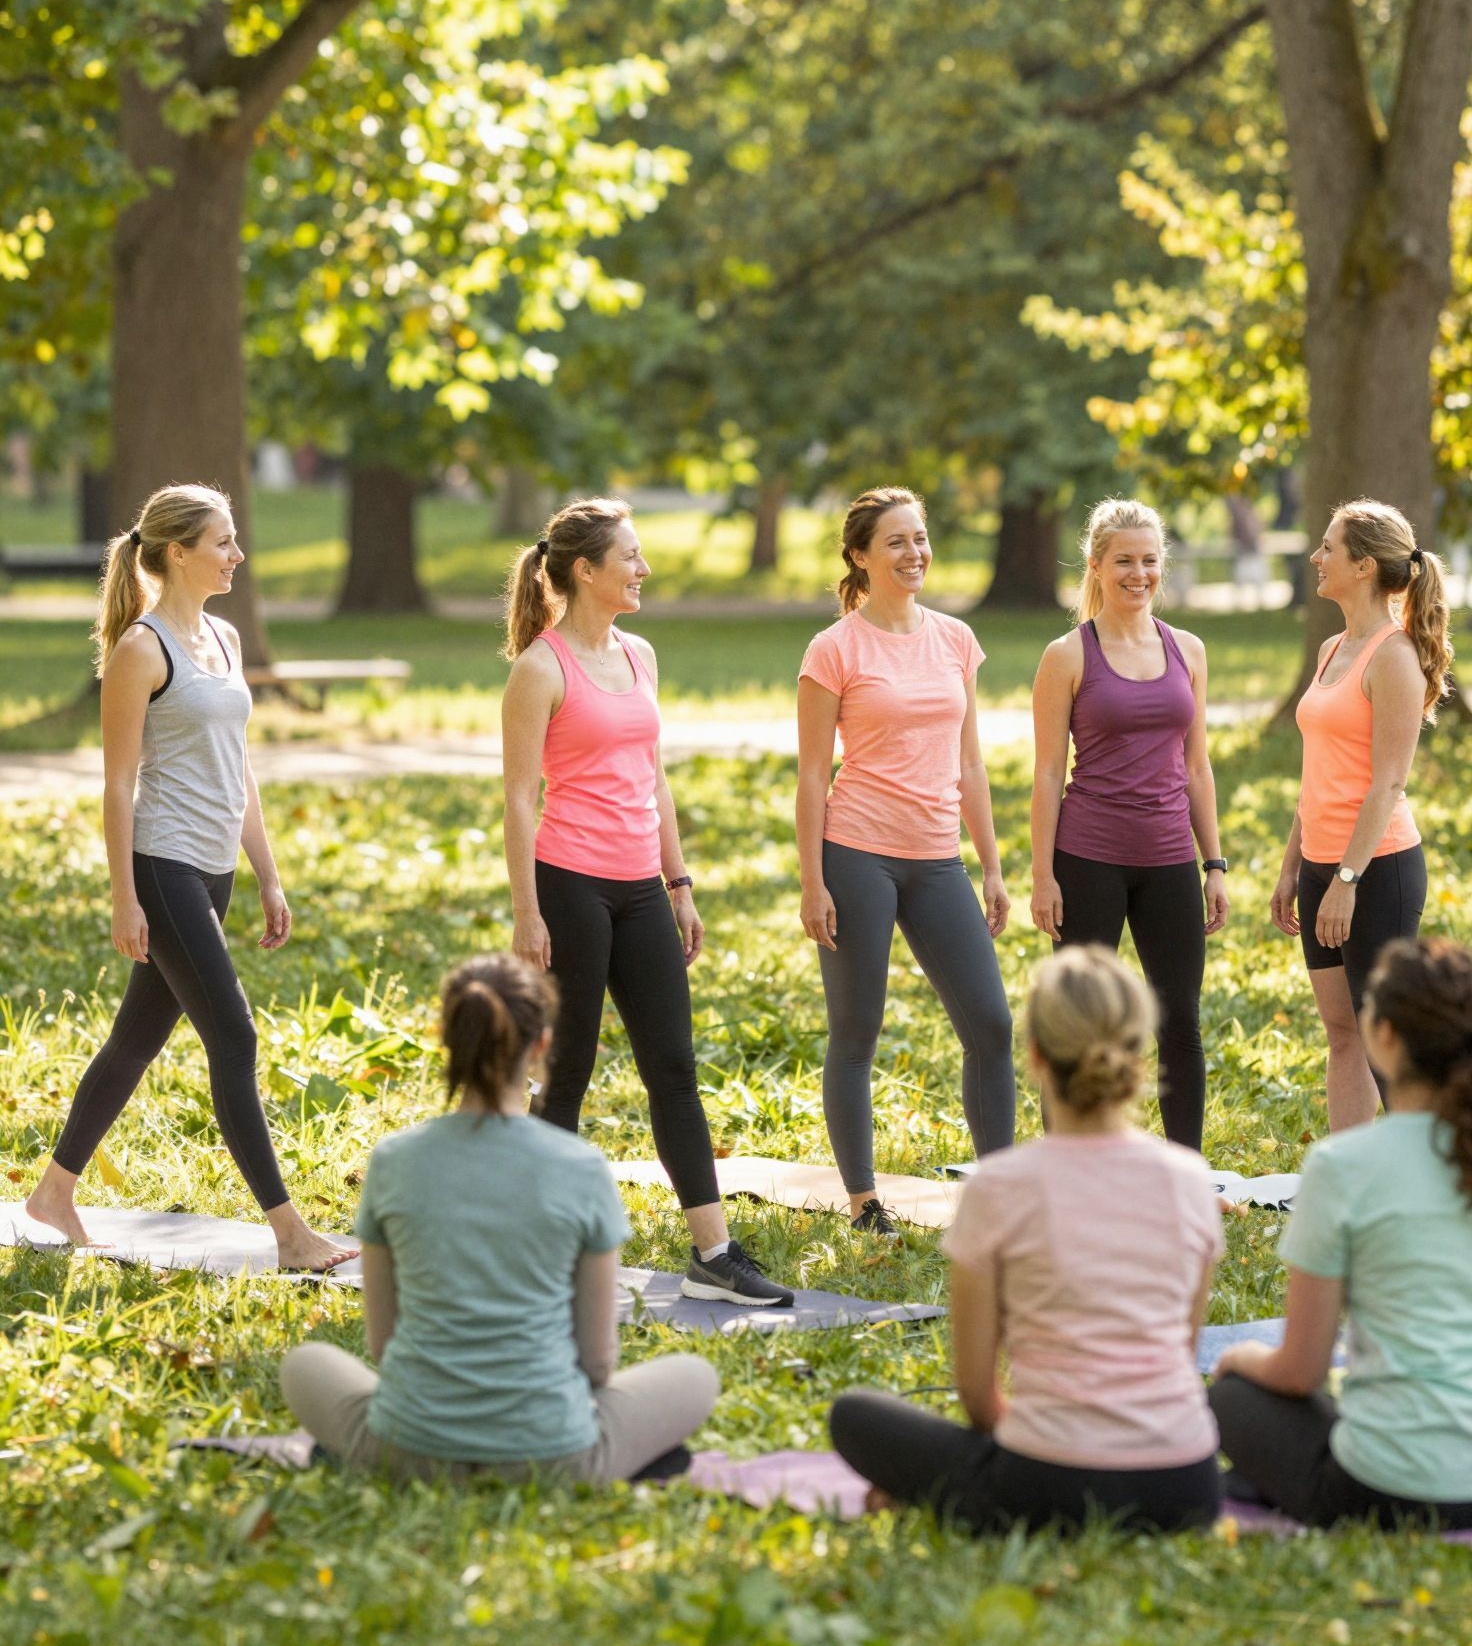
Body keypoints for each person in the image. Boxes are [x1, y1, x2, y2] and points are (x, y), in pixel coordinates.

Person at [25, 483, 349, 1271]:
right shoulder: (142, 649)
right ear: (178, 553)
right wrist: (123, 896)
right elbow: (117, 783)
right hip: (163, 867)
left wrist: (267, 875)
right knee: (234, 1037)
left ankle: (54, 1192)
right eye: (223, 542)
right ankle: (291, 1235)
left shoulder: (226, 638)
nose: (237, 555)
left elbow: (239, 769)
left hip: (212, 872)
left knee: (135, 1039)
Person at [501, 497, 792, 1307]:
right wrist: (528, 910)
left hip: (640, 890)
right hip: (569, 884)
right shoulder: (540, 668)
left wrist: (680, 882)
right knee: (569, 1072)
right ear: (585, 570)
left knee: (674, 1066)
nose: (643, 569)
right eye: (629, 556)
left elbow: (653, 777)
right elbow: (521, 798)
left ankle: (714, 1254)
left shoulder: (641, 656)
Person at [281, 952, 720, 1480]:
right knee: (695, 1376)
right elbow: (598, 1363)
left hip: (408, 1446)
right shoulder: (581, 1166)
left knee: (305, 1364)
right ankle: (610, 1459)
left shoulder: (394, 1160)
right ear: (541, 1045)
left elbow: (383, 1343)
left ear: (449, 1041)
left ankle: (370, 1453)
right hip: (552, 1454)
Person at [829, 946, 1223, 1533]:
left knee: (854, 1417)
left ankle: (950, 1495)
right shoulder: (1192, 1180)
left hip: (1046, 1484)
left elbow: (978, 1394)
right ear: (1138, 1053)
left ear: (1035, 1056)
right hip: (1184, 1488)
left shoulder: (1000, 1186)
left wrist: (1040, 1437)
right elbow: (1180, 1352)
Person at [1211, 938, 1472, 1529]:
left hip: (1393, 1489)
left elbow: (1299, 1371)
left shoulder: (1343, 1165)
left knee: (1233, 1397)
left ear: (1384, 1035)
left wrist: (1239, 1358)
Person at [796, 486, 1014, 1235]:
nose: (914, 553)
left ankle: (999, 1196)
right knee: (857, 1026)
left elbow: (972, 765)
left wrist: (990, 865)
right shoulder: (834, 649)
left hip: (937, 857)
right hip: (857, 854)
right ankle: (863, 1202)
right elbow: (812, 775)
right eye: (896, 541)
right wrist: (812, 880)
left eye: (920, 538)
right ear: (860, 556)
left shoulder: (955, 640)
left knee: (990, 1024)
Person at [1029, 498, 1229, 1152]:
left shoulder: (1190, 650)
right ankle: (1071, 1168)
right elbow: (1048, 772)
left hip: (1170, 858)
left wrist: (1215, 864)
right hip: (1087, 859)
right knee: (1080, 1025)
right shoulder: (1067, 655)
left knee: (1180, 1023)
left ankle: (1185, 1173)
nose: (1138, 574)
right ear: (1096, 565)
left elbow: (1197, 768)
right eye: (1124, 561)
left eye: (1149, 561)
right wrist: (1041, 875)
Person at [1270, 499, 1453, 1131]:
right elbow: (1317, 771)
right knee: (1343, 1033)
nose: (1316, 558)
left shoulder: (1393, 657)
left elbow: (1388, 783)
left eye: (1328, 548)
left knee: (1386, 1039)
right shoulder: (1331, 647)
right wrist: (1294, 868)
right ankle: (1354, 1175)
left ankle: (1426, 1180)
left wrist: (1346, 881)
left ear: (1364, 566)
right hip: (1323, 866)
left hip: (1377, 868)